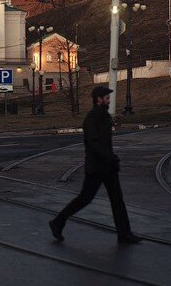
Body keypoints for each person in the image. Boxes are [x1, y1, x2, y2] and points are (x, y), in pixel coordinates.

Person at [48, 86, 142, 245]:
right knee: (85, 199)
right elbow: (94, 144)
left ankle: (124, 233)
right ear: (98, 99)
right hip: (97, 168)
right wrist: (110, 157)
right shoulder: (92, 119)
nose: (109, 100)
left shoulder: (104, 116)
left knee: (117, 200)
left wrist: (111, 160)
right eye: (106, 97)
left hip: (108, 167)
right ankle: (58, 221)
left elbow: (104, 143)